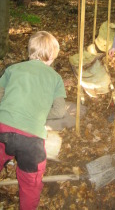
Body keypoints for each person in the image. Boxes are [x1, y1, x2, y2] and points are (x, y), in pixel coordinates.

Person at [0, 31, 67, 210]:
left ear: (30, 50)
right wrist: (36, 114)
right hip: (31, 139)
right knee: (30, 183)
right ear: (52, 55)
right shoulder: (56, 78)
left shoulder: (12, 69)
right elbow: (60, 111)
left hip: (2, 128)